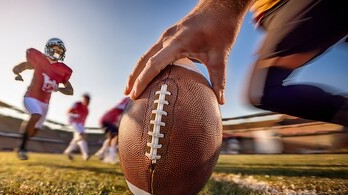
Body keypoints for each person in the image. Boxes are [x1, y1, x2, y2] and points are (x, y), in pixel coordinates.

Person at [124, 0, 348, 127]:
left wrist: (220, 6)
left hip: (290, 5)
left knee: (264, 91)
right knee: (263, 92)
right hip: (274, 14)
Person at [13, 38, 74, 160]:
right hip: (31, 97)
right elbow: (23, 66)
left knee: (35, 131)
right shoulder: (39, 60)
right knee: (36, 115)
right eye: (55, 49)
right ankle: (22, 148)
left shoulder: (63, 70)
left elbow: (70, 91)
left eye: (59, 50)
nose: (57, 52)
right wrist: (17, 73)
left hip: (45, 103)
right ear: (48, 48)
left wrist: (58, 89)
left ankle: (23, 140)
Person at [95, 97, 129, 163]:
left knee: (113, 137)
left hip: (109, 121)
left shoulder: (125, 101)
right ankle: (108, 157)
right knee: (113, 136)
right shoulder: (127, 102)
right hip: (106, 121)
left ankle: (103, 153)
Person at [63, 93, 91, 161]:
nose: (86, 102)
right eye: (84, 100)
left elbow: (83, 120)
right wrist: (74, 115)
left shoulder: (87, 110)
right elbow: (67, 112)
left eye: (87, 101)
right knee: (82, 136)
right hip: (74, 123)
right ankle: (85, 154)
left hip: (81, 125)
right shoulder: (77, 104)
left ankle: (68, 151)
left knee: (78, 139)